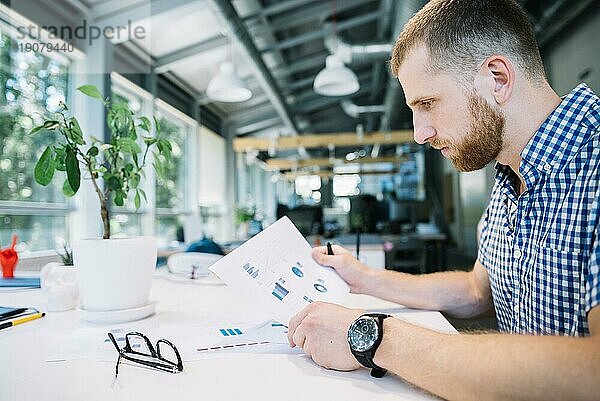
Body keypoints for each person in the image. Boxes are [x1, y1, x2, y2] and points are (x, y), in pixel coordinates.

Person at [286, 0, 600, 399]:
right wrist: (365, 278)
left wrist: (372, 336)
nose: (420, 133)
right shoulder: (510, 177)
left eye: (428, 103)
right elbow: (476, 291)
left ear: (498, 79)